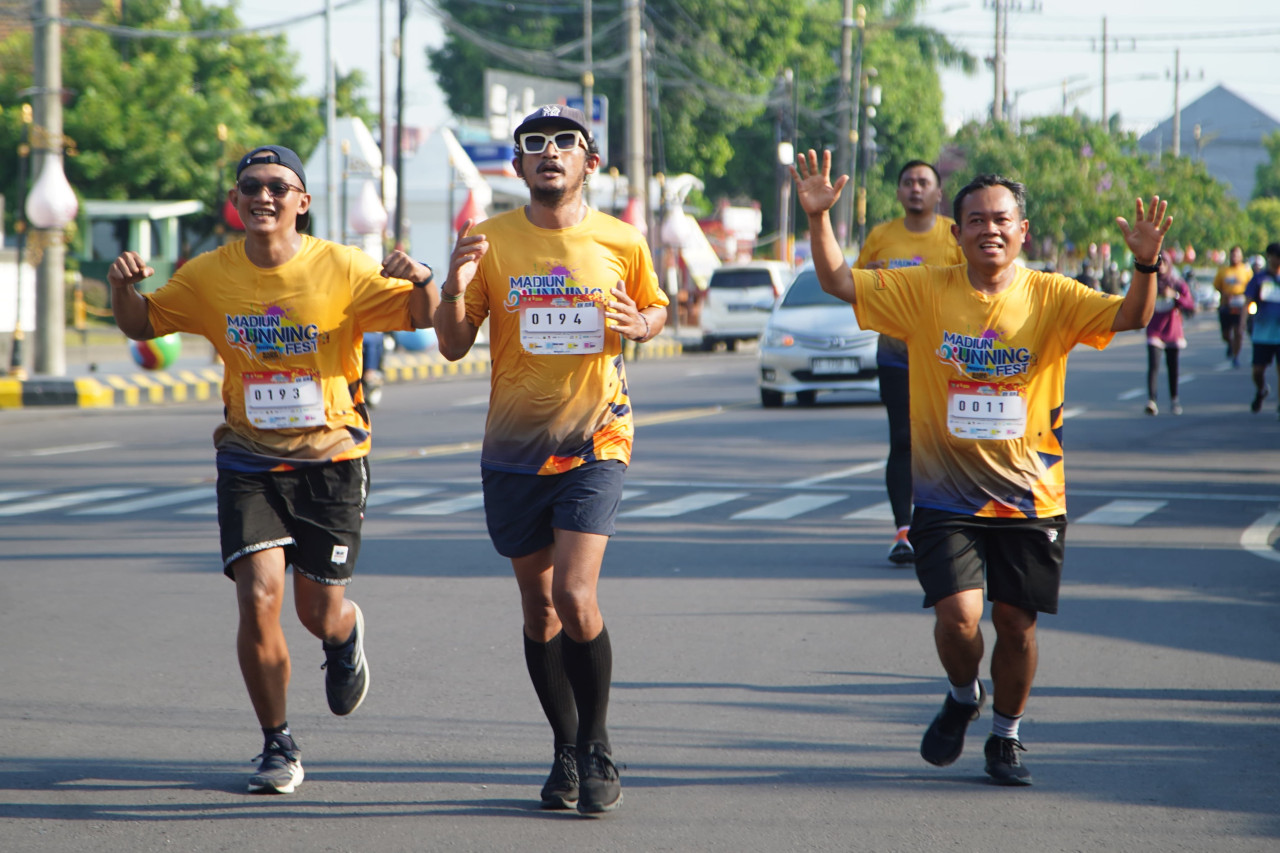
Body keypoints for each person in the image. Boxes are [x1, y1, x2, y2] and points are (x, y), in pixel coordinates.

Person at [791, 149, 1171, 786]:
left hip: (1031, 496)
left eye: (1002, 220)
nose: (989, 229)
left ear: (1023, 231)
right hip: (945, 495)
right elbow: (838, 282)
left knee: (1016, 625)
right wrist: (817, 219)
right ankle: (965, 692)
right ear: (956, 230)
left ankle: (1006, 735)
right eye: (975, 220)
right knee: (959, 617)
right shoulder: (922, 290)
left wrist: (1144, 261)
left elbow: (1133, 315)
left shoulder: (1051, 294)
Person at [108, 145, 440, 794]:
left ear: (302, 202)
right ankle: (277, 742)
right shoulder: (208, 275)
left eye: (278, 186)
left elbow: (419, 318)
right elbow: (142, 323)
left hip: (331, 459)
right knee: (259, 597)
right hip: (248, 458)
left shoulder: (341, 266)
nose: (264, 196)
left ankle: (344, 636)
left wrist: (423, 281)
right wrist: (123, 289)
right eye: (250, 186)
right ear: (236, 201)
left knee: (318, 611)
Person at [432, 105, 669, 815]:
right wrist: (450, 284)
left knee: (574, 594)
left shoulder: (622, 241)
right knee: (538, 611)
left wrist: (643, 323)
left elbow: (656, 308)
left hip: (596, 438)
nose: (550, 153)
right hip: (512, 449)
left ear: (590, 162)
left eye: (565, 142)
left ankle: (596, 745)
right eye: (534, 144)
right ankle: (563, 746)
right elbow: (451, 341)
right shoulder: (487, 241)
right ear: (518, 165)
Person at [853, 160, 964, 565]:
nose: (915, 188)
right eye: (908, 182)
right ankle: (904, 531)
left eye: (924, 182)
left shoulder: (955, 234)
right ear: (898, 192)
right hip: (897, 355)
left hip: (948, 358)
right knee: (903, 440)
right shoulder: (881, 236)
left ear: (938, 193)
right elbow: (858, 284)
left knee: (947, 442)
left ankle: (948, 526)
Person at [1143, 253, 1195, 416]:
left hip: (1172, 330)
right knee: (1153, 365)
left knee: (1173, 367)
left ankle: (1174, 399)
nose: (1161, 266)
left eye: (1164, 262)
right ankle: (1152, 400)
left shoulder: (1177, 284)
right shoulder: (1149, 283)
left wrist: (1175, 296)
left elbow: (1190, 304)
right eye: (1157, 262)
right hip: (1154, 330)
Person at [1245, 242, 1280, 417]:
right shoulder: (1259, 279)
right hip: (1263, 332)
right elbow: (1249, 300)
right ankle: (1261, 389)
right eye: (1275, 257)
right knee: (1258, 370)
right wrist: (1247, 318)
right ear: (1269, 257)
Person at [1213, 245, 1252, 368]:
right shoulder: (1223, 270)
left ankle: (1235, 356)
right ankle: (1230, 344)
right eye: (1233, 254)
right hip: (1226, 305)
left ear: (1241, 256)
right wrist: (1224, 294)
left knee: (1238, 332)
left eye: (1237, 254)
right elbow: (1217, 285)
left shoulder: (1246, 271)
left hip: (1240, 306)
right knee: (1225, 334)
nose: (1235, 257)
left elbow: (1252, 288)